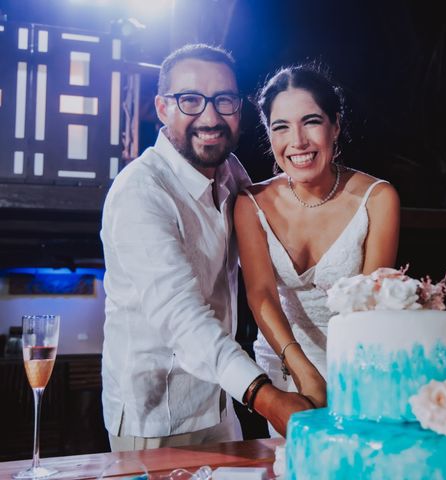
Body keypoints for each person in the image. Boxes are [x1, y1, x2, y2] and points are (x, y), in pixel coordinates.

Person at [100, 44, 311, 451]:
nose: (210, 117)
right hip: (155, 414)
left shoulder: (232, 173)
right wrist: (269, 399)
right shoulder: (140, 191)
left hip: (220, 400)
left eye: (224, 101)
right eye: (190, 100)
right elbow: (182, 318)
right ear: (163, 108)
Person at [234, 64, 400, 434]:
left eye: (311, 121)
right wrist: (303, 374)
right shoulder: (251, 203)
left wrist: (345, 382)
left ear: (335, 125)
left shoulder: (378, 198)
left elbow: (371, 309)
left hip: (360, 365)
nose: (298, 141)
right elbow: (260, 294)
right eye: (281, 127)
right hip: (283, 363)